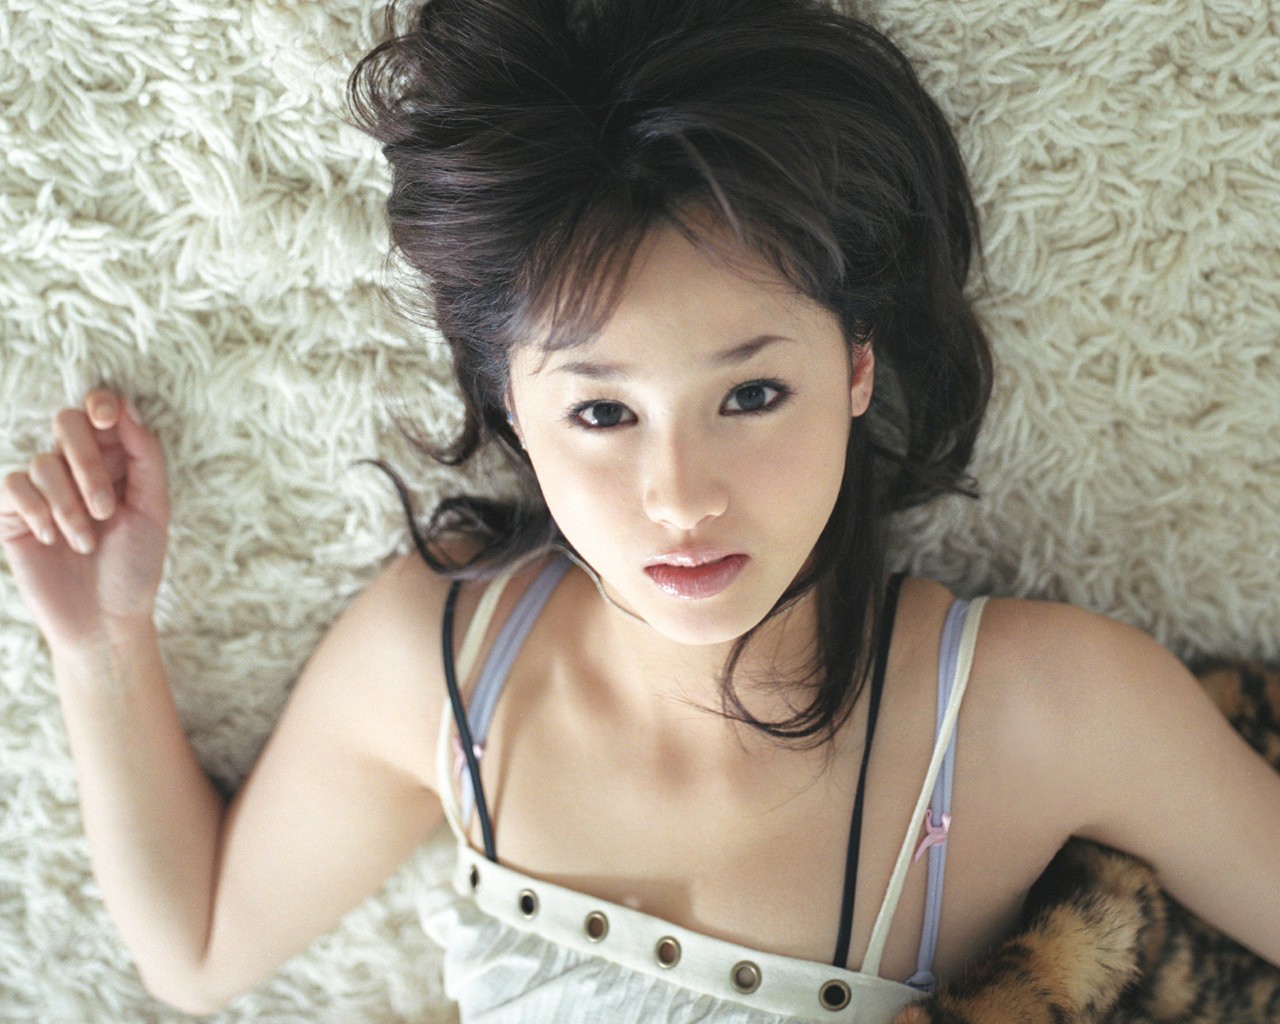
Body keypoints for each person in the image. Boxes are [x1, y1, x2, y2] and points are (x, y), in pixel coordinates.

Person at [2, 0, 1278, 1019]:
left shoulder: (1038, 707)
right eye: (603, 412)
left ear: (855, 368)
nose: (680, 498)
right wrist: (101, 639)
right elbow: (200, 947)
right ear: (512, 407)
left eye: (752, 393)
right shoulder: (448, 658)